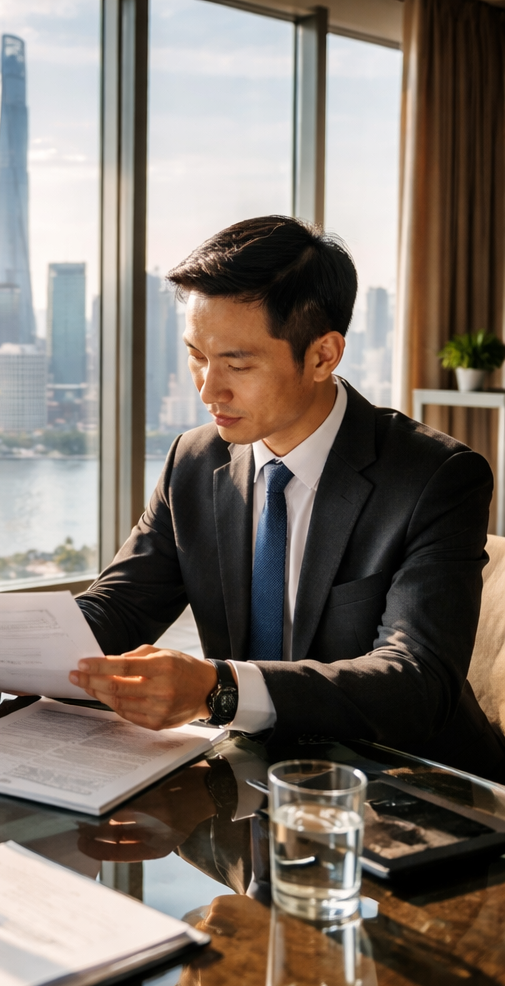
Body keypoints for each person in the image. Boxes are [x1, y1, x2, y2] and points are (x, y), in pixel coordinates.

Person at [72, 215, 505, 782]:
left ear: (324, 356)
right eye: (197, 355)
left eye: (237, 362)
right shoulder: (195, 460)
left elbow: (415, 681)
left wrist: (217, 687)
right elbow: (120, 607)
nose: (207, 389)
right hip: (249, 780)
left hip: (412, 784)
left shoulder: (436, 476)